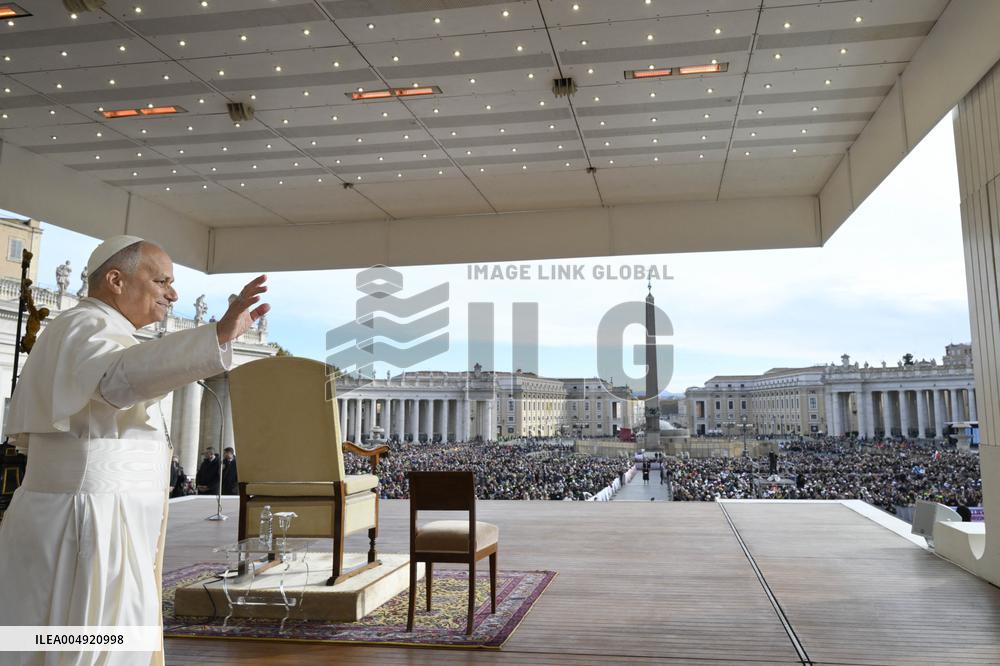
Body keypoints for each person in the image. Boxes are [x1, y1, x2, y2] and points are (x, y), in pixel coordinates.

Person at [0, 235, 269, 666]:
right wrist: (214, 335)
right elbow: (114, 380)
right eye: (162, 280)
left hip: (98, 521)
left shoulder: (105, 331)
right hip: (86, 528)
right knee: (86, 644)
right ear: (116, 280)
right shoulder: (86, 325)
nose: (173, 293)